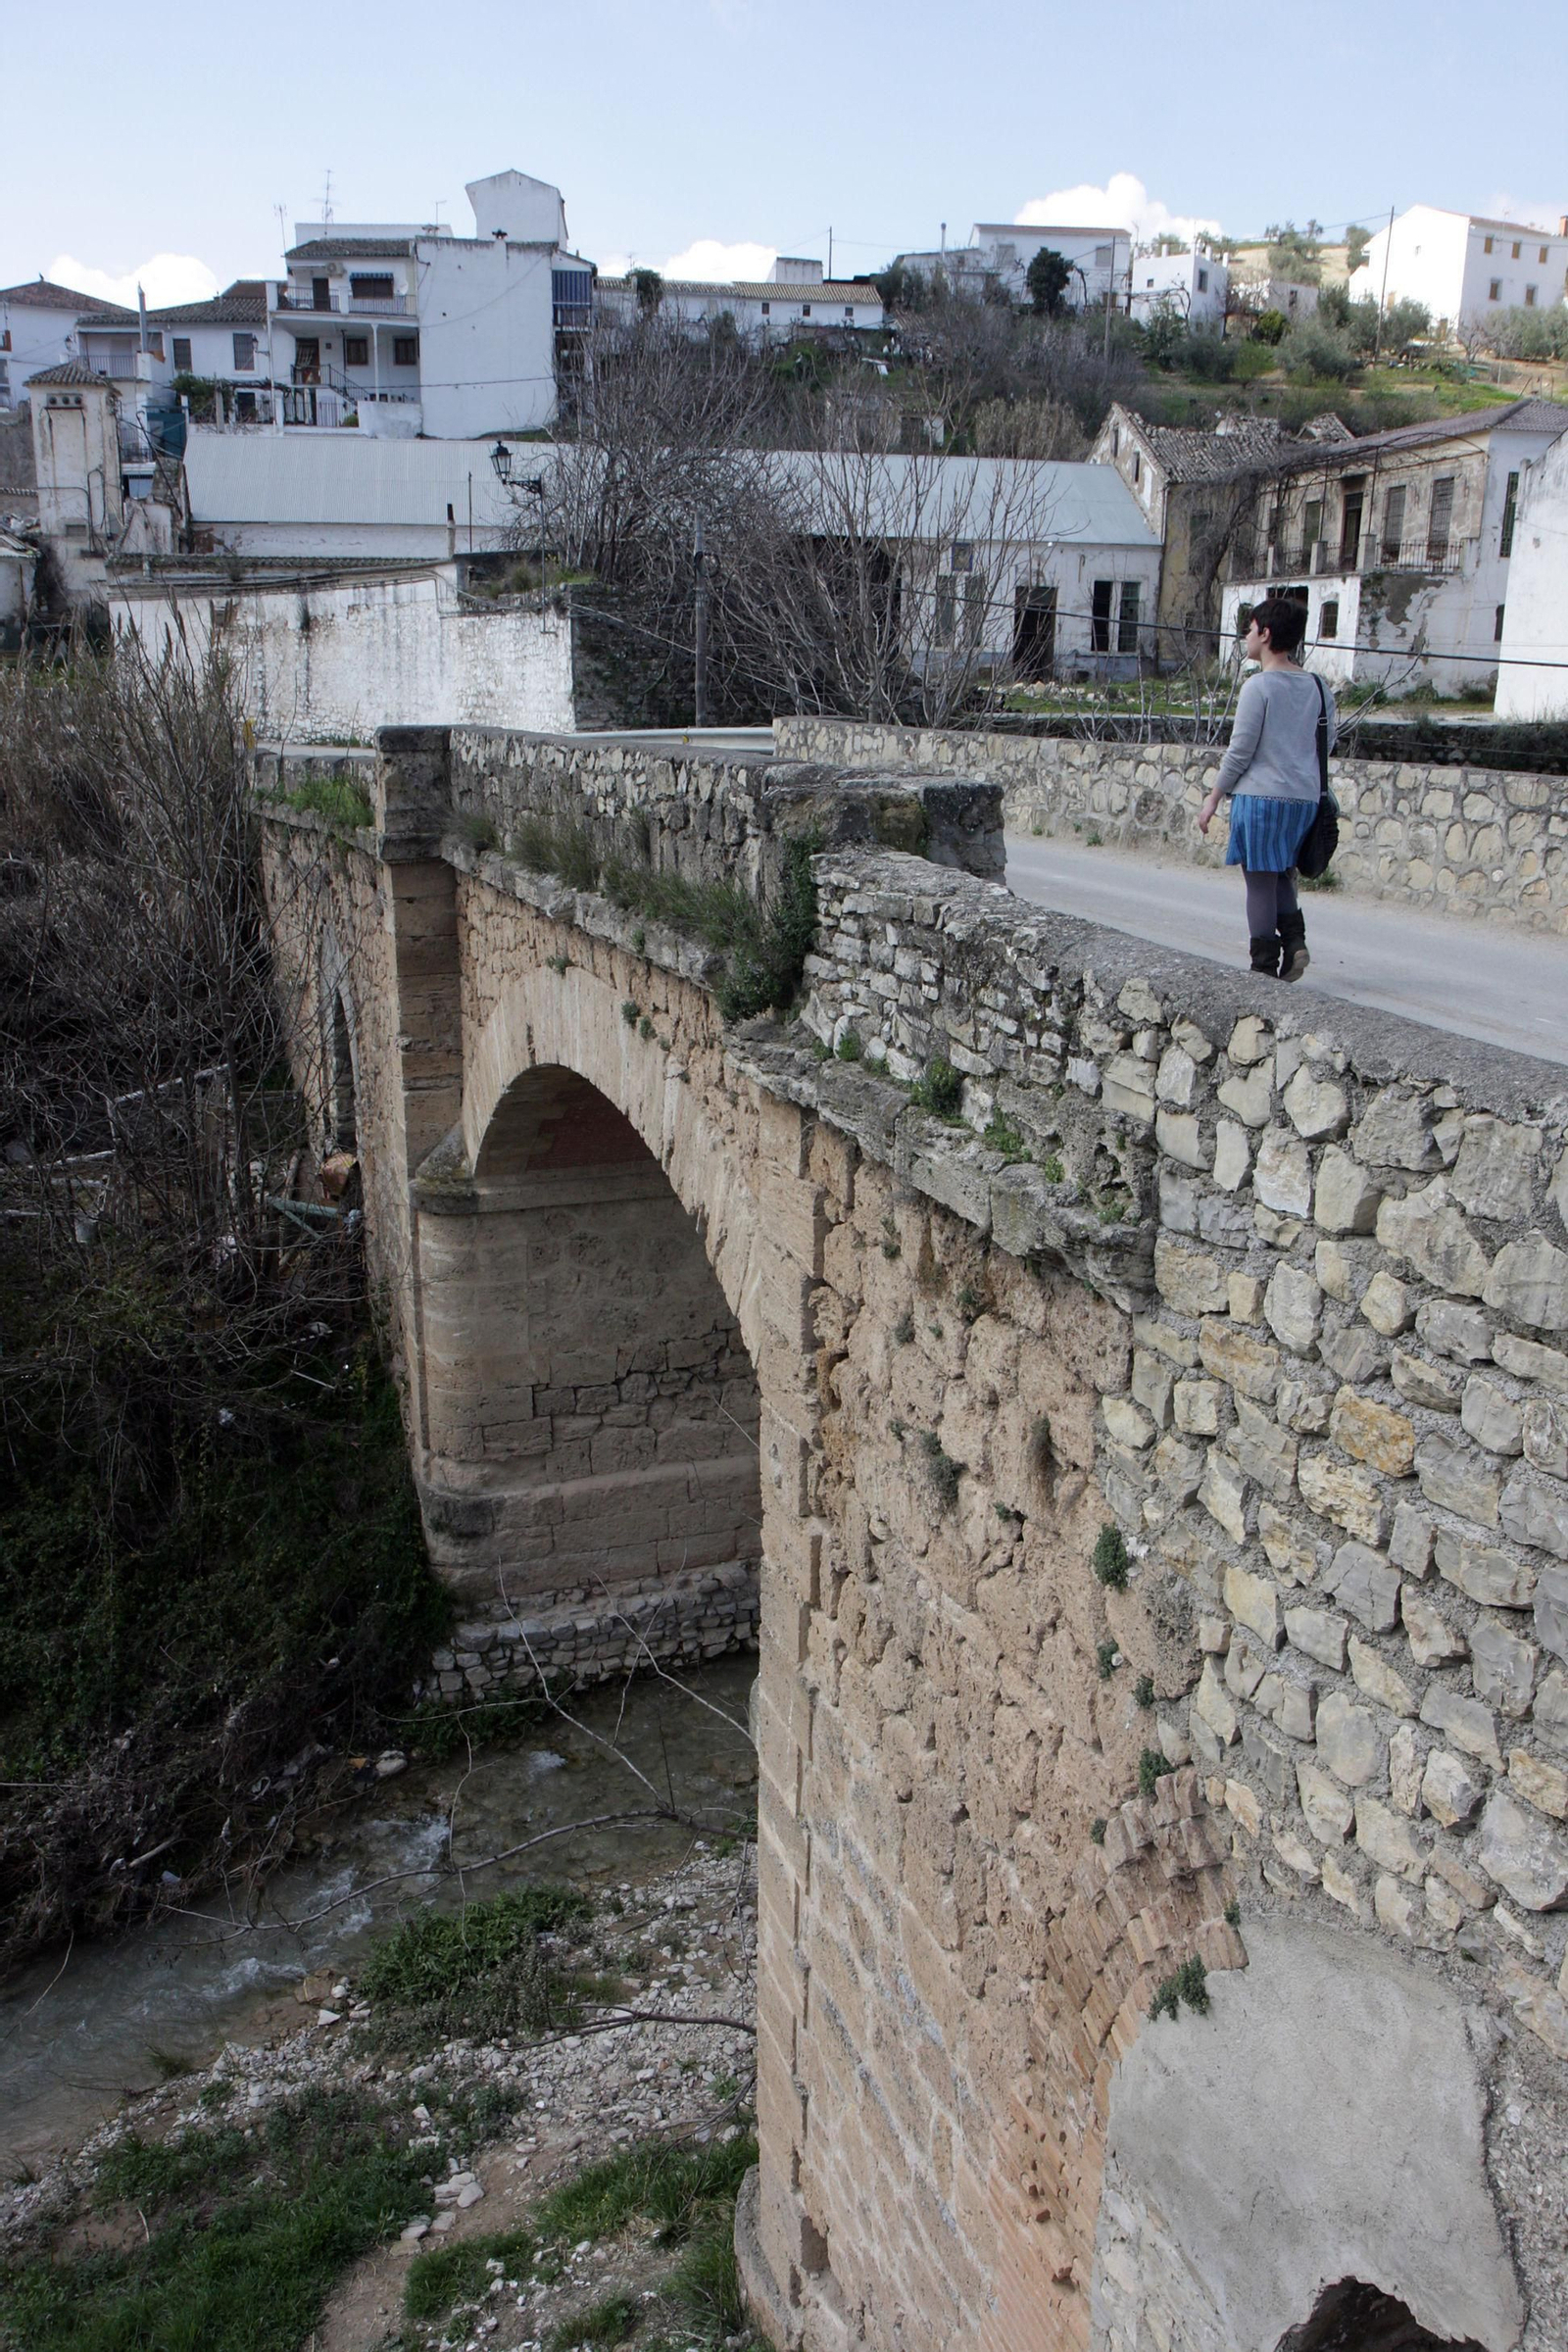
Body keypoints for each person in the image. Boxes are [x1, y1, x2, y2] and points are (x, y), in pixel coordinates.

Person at [1198, 594, 1335, 982]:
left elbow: (1241, 752)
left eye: (1251, 629)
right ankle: (1294, 943)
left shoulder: (1258, 688)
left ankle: (1262, 968)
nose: (1246, 636)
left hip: (1260, 798)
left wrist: (1213, 798)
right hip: (1304, 800)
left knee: (1259, 879)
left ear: (1267, 633)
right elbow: (1327, 743)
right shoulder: (1319, 687)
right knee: (1281, 873)